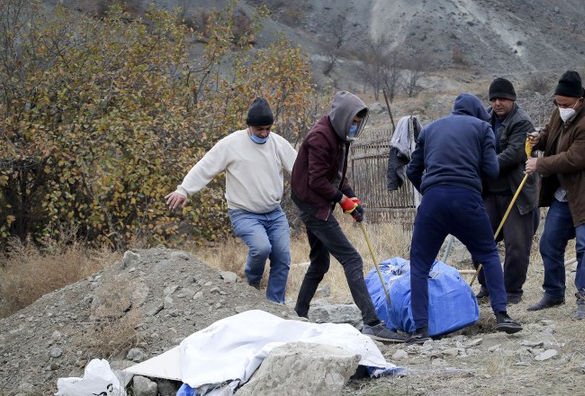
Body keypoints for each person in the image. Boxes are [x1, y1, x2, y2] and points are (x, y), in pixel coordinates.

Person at [290, 90, 407, 343]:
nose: (355, 126)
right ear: (343, 117)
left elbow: (338, 175)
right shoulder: (321, 137)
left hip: (319, 202)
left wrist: (352, 197)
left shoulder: (340, 136)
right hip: (312, 205)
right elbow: (318, 181)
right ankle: (372, 323)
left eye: (358, 122)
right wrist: (343, 201)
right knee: (352, 259)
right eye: (353, 120)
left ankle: (298, 315)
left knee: (320, 264)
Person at [406, 93, 523, 343]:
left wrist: (429, 190)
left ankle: (420, 330)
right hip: (467, 199)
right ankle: (502, 315)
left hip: (433, 201)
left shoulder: (429, 129)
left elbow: (412, 170)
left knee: (419, 265)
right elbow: (491, 170)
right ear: (477, 112)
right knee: (489, 254)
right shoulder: (482, 128)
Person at [166, 97, 297, 304]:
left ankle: (275, 305)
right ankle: (252, 285)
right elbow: (205, 166)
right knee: (262, 248)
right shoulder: (231, 144)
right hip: (244, 213)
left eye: (267, 129)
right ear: (249, 126)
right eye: (259, 129)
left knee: (282, 256)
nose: (263, 134)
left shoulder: (278, 144)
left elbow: (301, 169)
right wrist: (184, 190)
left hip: (274, 211)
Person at [525, 70, 585, 319]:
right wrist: (539, 139)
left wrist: (539, 165)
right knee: (549, 243)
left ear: (579, 99)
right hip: (564, 194)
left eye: (565, 104)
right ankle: (554, 293)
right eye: (558, 103)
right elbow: (552, 135)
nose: (561, 107)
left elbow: (573, 158)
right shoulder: (562, 111)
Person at [476, 77, 538, 305]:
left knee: (517, 244)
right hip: (489, 192)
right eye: (493, 98)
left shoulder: (522, 122)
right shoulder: (484, 119)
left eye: (502, 98)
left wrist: (486, 165)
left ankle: (512, 291)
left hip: (516, 192)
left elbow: (515, 153)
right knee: (481, 238)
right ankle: (487, 286)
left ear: (512, 99)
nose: (497, 103)